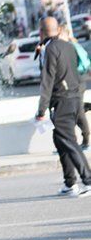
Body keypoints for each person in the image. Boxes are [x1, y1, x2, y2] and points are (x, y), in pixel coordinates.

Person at [36, 17, 91, 197]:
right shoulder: (68, 46)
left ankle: (88, 180)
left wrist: (41, 110)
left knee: (69, 141)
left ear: (41, 32)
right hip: (75, 98)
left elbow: (48, 81)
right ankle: (70, 182)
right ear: (58, 29)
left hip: (63, 101)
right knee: (60, 141)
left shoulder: (51, 49)